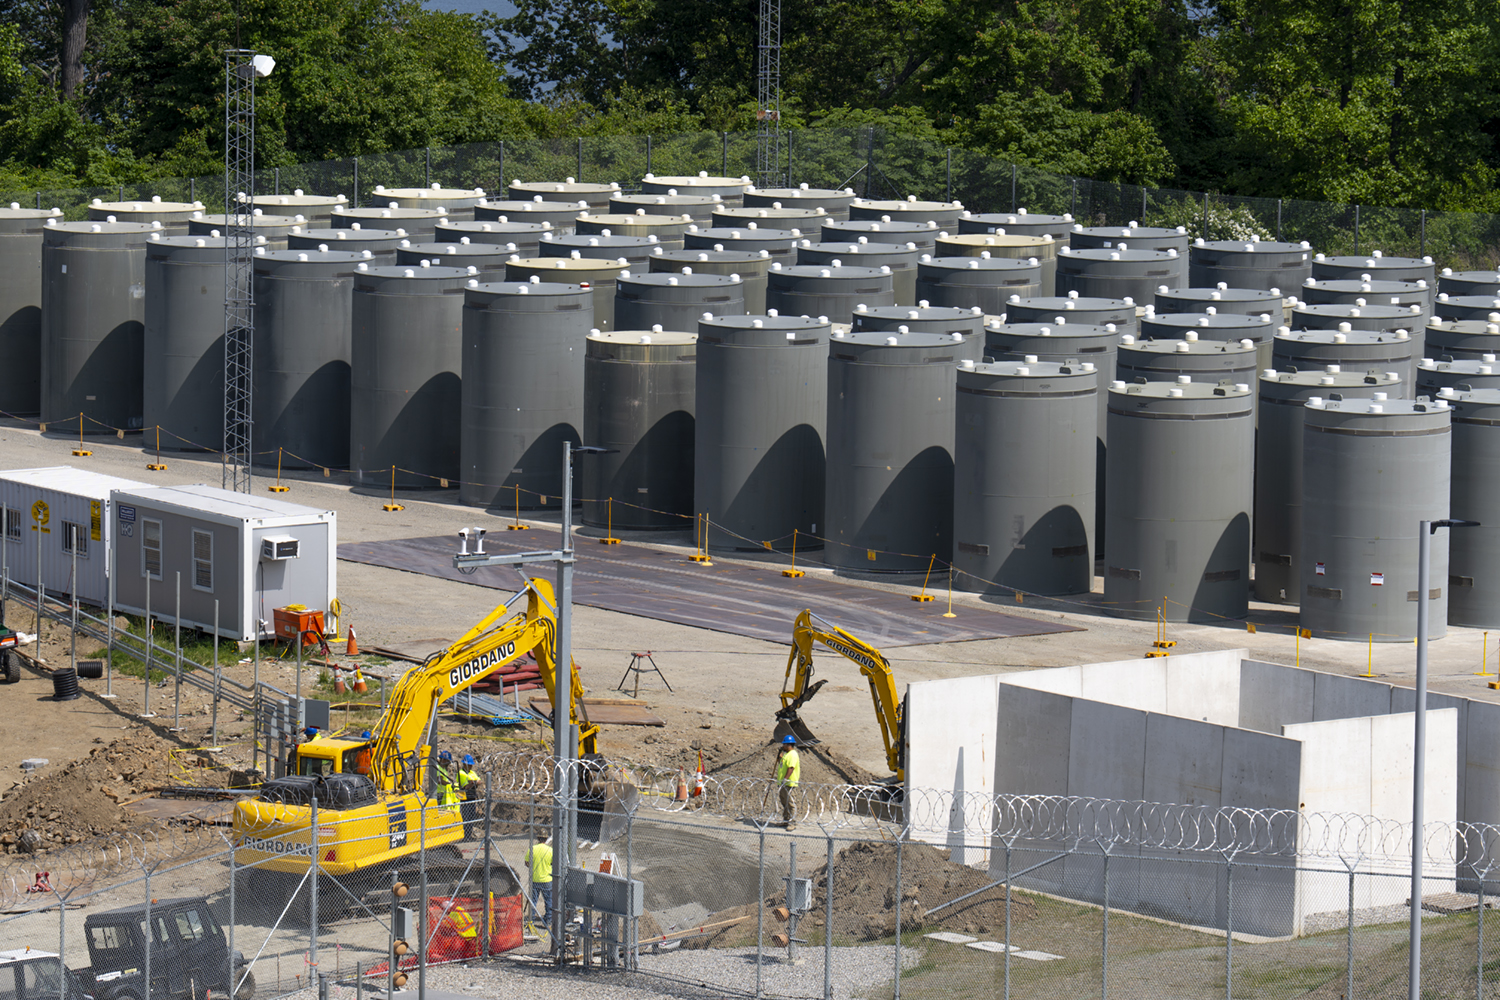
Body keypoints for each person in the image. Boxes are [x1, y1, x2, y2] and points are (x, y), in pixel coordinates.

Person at [526, 832, 554, 924]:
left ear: (538, 838)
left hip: (535, 878)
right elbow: (553, 863)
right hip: (547, 879)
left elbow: (527, 863)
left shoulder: (533, 849)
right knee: (548, 900)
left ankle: (531, 920)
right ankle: (549, 919)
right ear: (546, 839)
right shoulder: (550, 850)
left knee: (533, 900)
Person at [775, 734, 800, 829]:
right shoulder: (786, 755)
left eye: (784, 745)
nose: (782, 746)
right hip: (782, 783)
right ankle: (786, 820)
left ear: (788, 745)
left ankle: (792, 822)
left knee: (790, 803)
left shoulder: (793, 754)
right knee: (784, 802)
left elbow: (791, 767)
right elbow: (781, 765)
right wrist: (780, 756)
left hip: (789, 783)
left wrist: (785, 778)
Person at [459, 754, 481, 839]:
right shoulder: (461, 773)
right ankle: (465, 836)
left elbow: (479, 781)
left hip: (472, 796)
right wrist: (474, 783)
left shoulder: (472, 772)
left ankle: (469, 835)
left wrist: (473, 782)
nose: (471, 767)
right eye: (469, 765)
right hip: (465, 798)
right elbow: (466, 786)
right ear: (464, 764)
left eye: (471, 765)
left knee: (471, 816)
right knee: (466, 816)